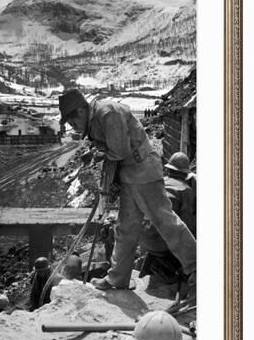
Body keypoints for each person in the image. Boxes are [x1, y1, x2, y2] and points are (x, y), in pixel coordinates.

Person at [58, 88, 196, 300]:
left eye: (73, 123)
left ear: (81, 112)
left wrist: (97, 154)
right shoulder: (95, 118)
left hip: (144, 172)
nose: (74, 128)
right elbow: (114, 151)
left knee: (164, 221)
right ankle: (117, 278)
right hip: (131, 175)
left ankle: (196, 267)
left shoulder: (107, 113)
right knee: (126, 229)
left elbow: (119, 151)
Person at [139, 152, 196, 285]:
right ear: (184, 174)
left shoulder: (157, 183)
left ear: (168, 169)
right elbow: (187, 225)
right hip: (163, 245)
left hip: (143, 238)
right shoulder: (185, 190)